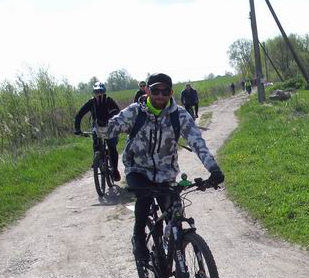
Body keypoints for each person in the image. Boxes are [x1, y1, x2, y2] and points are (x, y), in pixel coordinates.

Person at [105, 73, 225, 263]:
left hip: (166, 174)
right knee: (144, 199)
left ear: (171, 92)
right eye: (155, 90)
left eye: (165, 91)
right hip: (138, 169)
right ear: (147, 91)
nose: (160, 95)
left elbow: (197, 143)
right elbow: (110, 129)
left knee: (174, 214)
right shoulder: (136, 112)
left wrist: (214, 169)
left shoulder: (180, 115)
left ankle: (175, 254)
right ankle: (139, 239)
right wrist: (105, 123)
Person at [74, 81, 122, 181]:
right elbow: (79, 115)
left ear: (104, 92)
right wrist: (77, 129)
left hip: (110, 126)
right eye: (96, 92)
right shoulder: (91, 102)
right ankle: (97, 160)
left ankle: (115, 170)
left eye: (100, 92)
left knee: (112, 147)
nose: (98, 94)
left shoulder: (109, 101)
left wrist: (114, 121)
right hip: (97, 127)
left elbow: (118, 113)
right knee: (96, 142)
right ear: (93, 93)